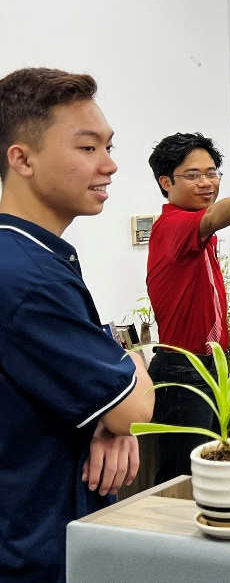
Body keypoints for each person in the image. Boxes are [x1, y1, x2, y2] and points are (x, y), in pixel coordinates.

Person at [0, 67, 154, 582]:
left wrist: (108, 415)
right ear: (22, 159)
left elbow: (114, 409)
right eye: (88, 148)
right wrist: (127, 372)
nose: (109, 164)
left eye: (109, 146)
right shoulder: (27, 278)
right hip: (34, 549)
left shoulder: (30, 257)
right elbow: (136, 409)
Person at [147, 132, 230, 483]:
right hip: (183, 372)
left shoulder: (197, 231)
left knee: (210, 472)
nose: (206, 182)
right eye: (193, 175)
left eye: (212, 173)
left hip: (209, 369)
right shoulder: (174, 224)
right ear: (165, 181)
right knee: (183, 479)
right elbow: (212, 218)